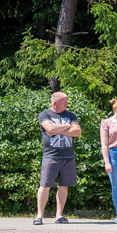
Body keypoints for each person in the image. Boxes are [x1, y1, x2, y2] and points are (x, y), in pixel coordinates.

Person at [35, 92, 82, 225]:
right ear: (55, 103)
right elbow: (49, 127)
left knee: (64, 186)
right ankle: (39, 216)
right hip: (51, 156)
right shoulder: (45, 114)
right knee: (45, 185)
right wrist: (68, 127)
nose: (67, 104)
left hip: (68, 157)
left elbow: (78, 132)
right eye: (64, 102)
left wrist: (57, 129)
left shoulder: (71, 115)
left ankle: (59, 215)